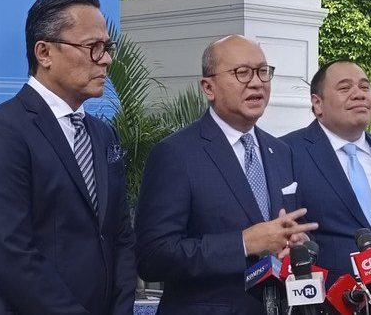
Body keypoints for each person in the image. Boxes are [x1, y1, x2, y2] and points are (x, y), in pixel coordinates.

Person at [0, 0, 136, 315]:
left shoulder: (103, 135)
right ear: (44, 53)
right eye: (93, 47)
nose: (107, 59)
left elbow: (121, 236)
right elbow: (11, 253)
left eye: (107, 47)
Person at [134, 35, 318, 315]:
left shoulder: (280, 151)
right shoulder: (175, 153)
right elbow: (153, 256)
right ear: (208, 87)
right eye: (242, 72)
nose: (256, 82)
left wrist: (297, 244)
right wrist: (243, 244)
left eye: (263, 71)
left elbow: (291, 228)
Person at [281, 60, 371, 287]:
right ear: (317, 103)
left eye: (364, 87)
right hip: (326, 295)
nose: (359, 94)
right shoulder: (286, 152)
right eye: (345, 88)